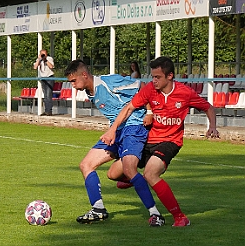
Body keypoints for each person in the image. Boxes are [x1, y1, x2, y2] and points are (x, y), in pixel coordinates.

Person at [100, 56, 220, 227]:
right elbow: (129, 108)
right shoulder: (149, 89)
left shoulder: (185, 93)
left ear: (169, 76)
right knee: (113, 174)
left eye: (157, 77)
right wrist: (112, 129)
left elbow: (208, 107)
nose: (153, 80)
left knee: (150, 173)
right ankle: (137, 181)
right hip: (147, 139)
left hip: (170, 142)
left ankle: (180, 217)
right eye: (152, 76)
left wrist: (212, 127)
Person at [64, 59, 165, 226]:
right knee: (88, 166)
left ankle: (155, 214)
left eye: (74, 81)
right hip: (116, 132)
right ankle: (98, 209)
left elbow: (143, 87)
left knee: (129, 169)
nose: (73, 86)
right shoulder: (91, 92)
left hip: (134, 127)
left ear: (84, 74)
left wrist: (149, 111)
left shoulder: (110, 82)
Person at [33, 49, 55, 116]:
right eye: (42, 54)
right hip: (43, 79)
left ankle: (49, 111)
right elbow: (35, 67)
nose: (43, 55)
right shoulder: (39, 60)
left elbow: (51, 66)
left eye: (44, 54)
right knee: (45, 95)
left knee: (48, 95)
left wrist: (45, 60)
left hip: (49, 78)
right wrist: (39, 60)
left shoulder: (49, 58)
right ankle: (46, 111)